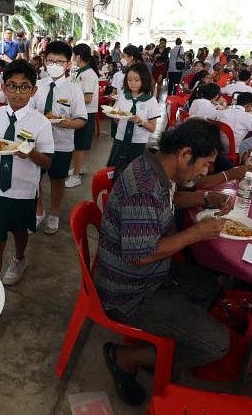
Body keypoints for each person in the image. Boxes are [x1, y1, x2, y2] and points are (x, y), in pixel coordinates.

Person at [94, 119, 232, 406]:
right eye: (205, 164)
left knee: (211, 285)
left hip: (151, 274)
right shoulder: (143, 187)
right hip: (129, 291)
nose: (207, 171)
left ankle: (165, 348)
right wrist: (196, 233)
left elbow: (169, 200)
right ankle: (126, 358)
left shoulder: (157, 167)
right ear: (184, 155)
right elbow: (141, 255)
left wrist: (204, 198)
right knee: (218, 342)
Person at [0, 61, 54, 285]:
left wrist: (30, 153)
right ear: (3, 87)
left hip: (23, 191)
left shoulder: (41, 123)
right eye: (12, 86)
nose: (17, 92)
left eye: (24, 87)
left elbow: (47, 162)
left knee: (20, 231)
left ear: (33, 90)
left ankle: (20, 258)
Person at [32, 41, 87, 234]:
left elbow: (82, 119)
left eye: (59, 61)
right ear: (45, 62)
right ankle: (38, 211)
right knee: (35, 179)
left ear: (68, 64)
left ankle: (54, 214)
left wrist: (69, 123)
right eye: (51, 60)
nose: (54, 65)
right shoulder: (37, 86)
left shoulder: (74, 90)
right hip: (37, 144)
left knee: (57, 180)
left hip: (61, 144)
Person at [106, 64, 161, 173]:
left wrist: (140, 121)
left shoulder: (151, 101)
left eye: (137, 80)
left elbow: (152, 128)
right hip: (120, 141)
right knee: (114, 173)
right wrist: (116, 117)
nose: (132, 83)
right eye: (129, 80)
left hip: (138, 144)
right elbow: (116, 117)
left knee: (134, 175)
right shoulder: (123, 97)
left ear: (144, 80)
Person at [66, 43, 100, 188]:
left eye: (73, 55)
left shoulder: (88, 75)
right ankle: (78, 167)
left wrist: (69, 100)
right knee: (78, 143)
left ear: (78, 56)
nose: (72, 58)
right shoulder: (81, 72)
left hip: (86, 113)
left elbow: (88, 98)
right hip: (80, 112)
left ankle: (76, 176)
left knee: (79, 145)